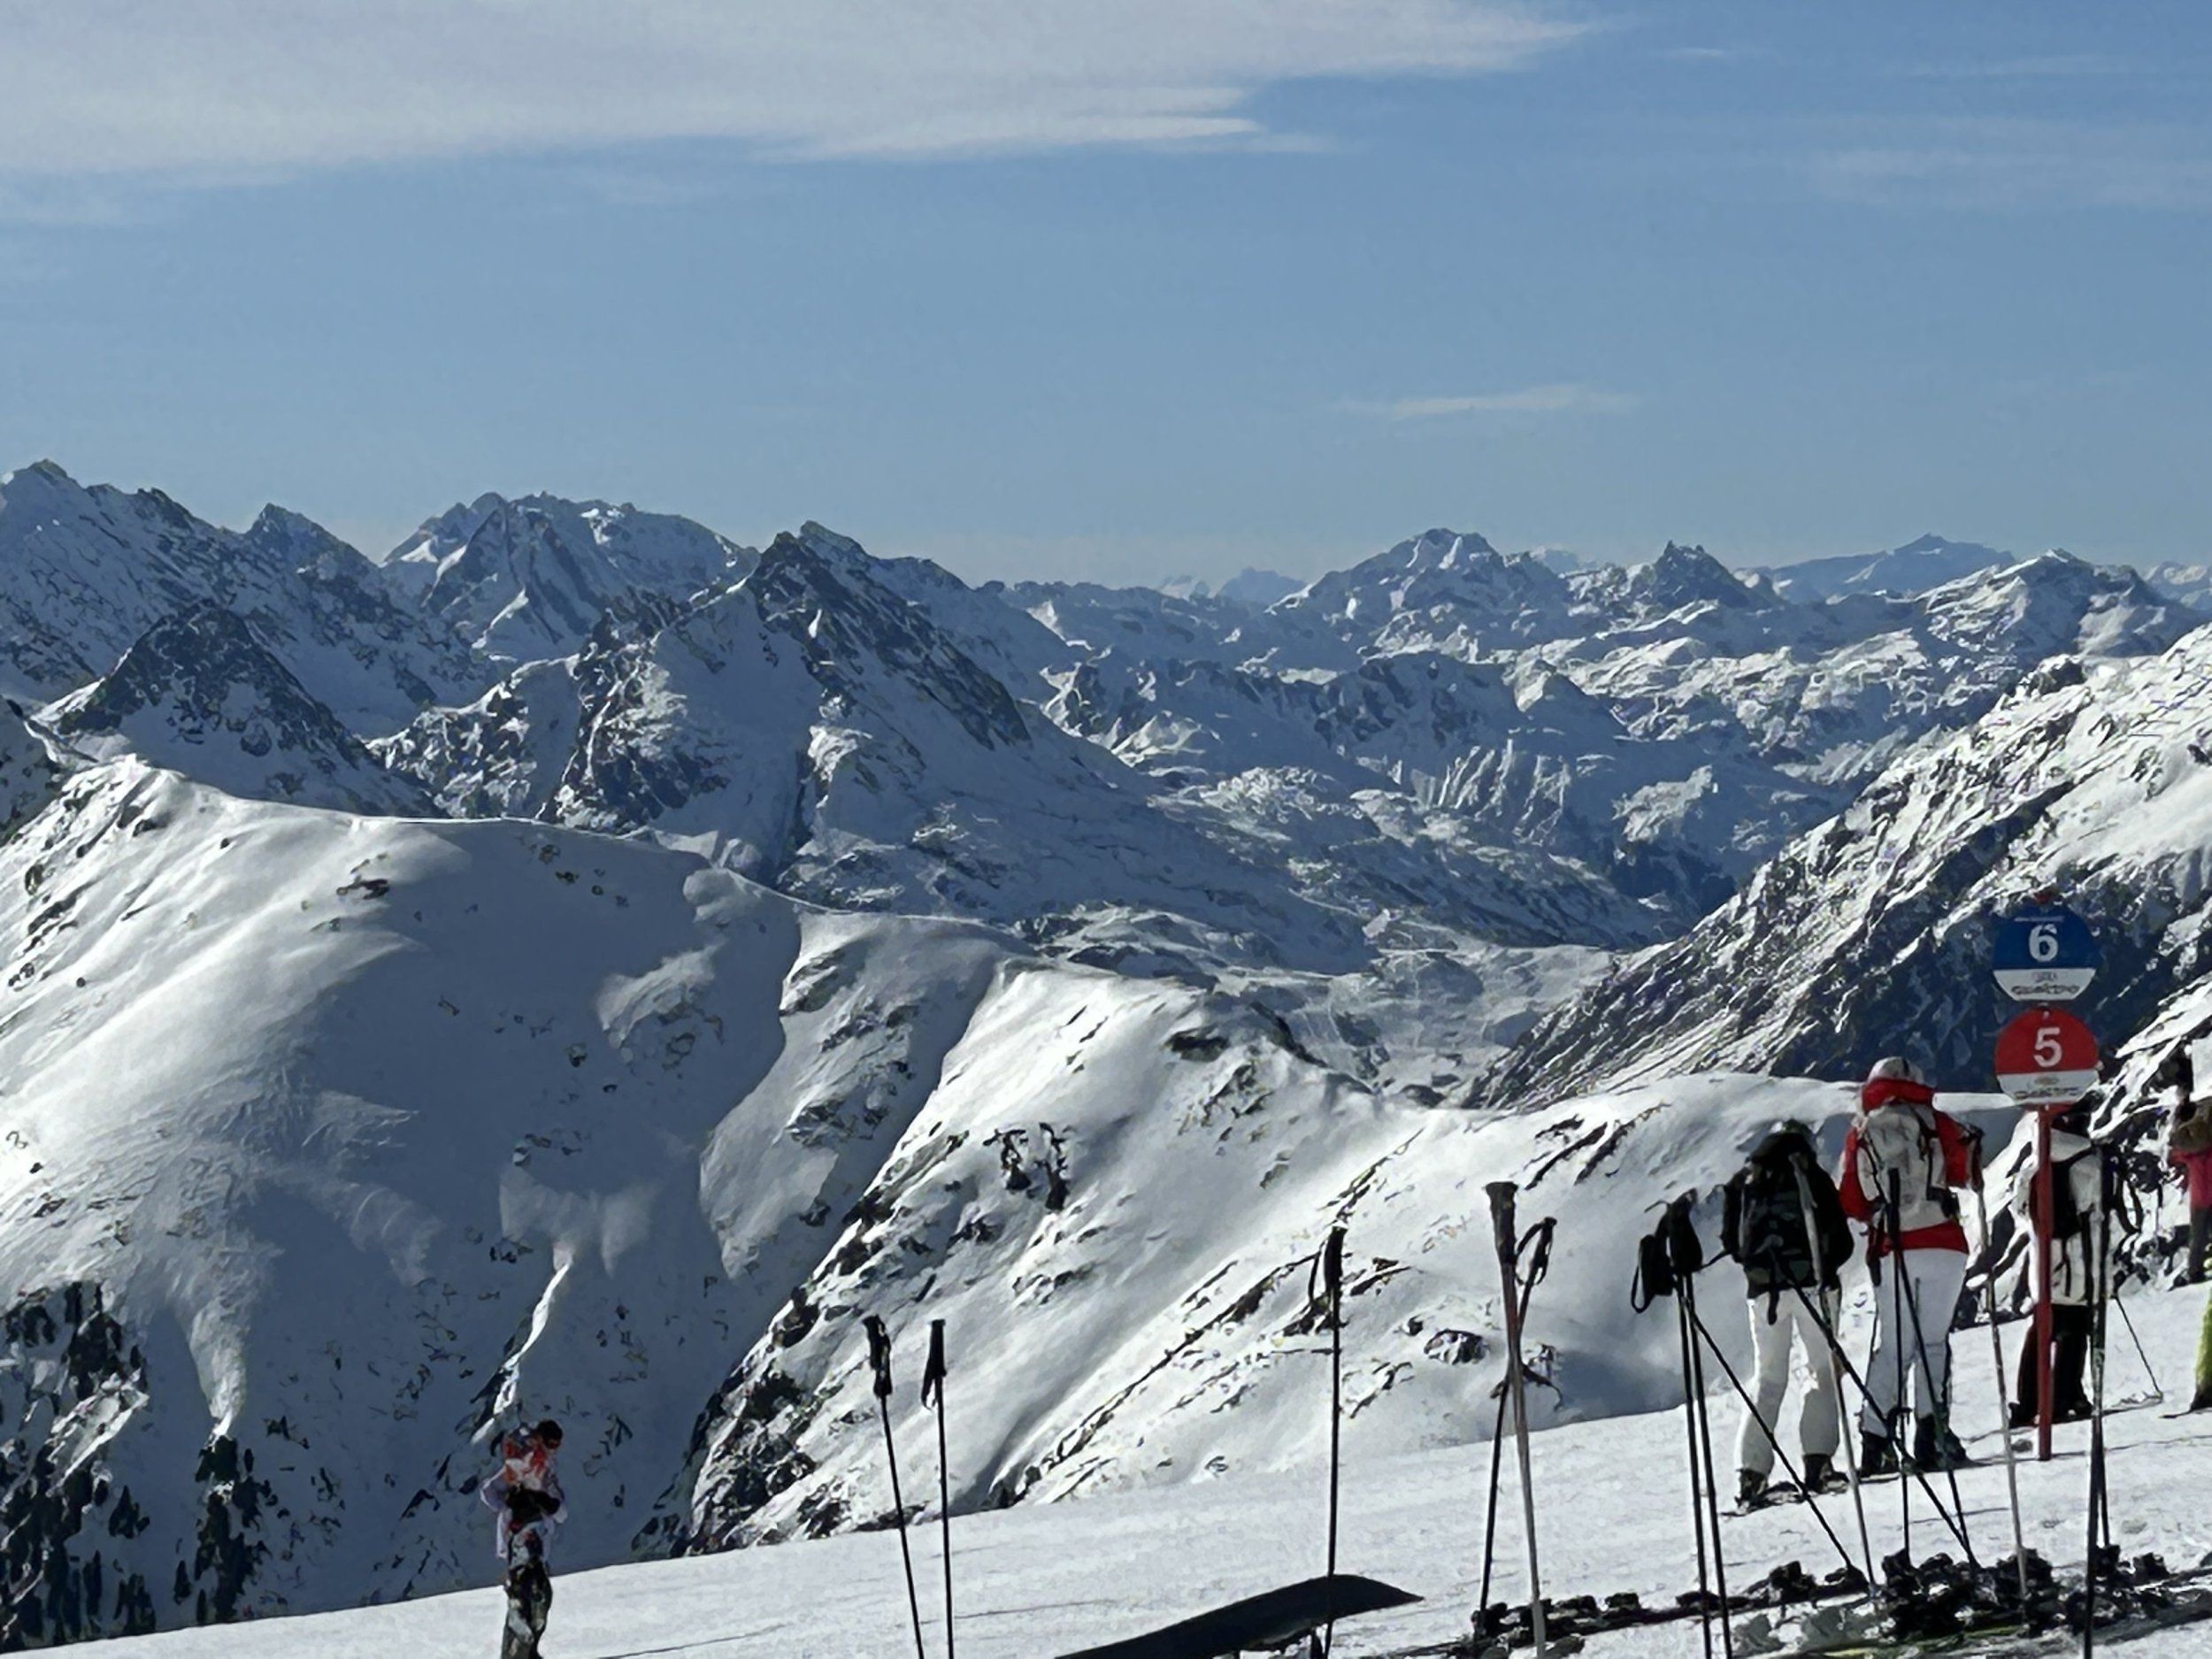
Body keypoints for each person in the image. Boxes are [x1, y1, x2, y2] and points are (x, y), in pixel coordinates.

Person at [1837, 1056, 1981, 1474]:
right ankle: (1932, 1437)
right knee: (1932, 1342)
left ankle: (1876, 1442)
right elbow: (1965, 1174)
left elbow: (1852, 1201)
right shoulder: (1938, 1122)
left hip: (1892, 1246)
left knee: (1894, 1346)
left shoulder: (1862, 1130)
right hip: (1944, 1244)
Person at [1720, 1119, 1856, 1505]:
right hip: (1814, 1287)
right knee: (1822, 1372)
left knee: (1768, 1379)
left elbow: (1733, 1243)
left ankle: (1751, 1475)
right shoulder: (1810, 1175)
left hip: (1764, 1292)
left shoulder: (1747, 1179)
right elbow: (1841, 1240)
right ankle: (1818, 1464)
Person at [2008, 1102, 2103, 1426]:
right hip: (2079, 1262)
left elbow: (2020, 1211)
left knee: (2041, 1328)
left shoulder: (2035, 1162)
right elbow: (2104, 1213)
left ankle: (2028, 1403)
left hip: (2044, 1262)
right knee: (2075, 1329)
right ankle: (2067, 1397)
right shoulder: (2091, 1162)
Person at [481, 1419, 566, 1659]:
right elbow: (488, 1491)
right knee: (524, 1596)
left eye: (557, 1445)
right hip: (520, 1537)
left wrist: (547, 1504)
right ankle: (516, 1653)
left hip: (537, 1540)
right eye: (551, 1444)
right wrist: (509, 1504)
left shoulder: (545, 1472)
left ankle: (526, 1651)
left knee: (536, 1597)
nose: (553, 1449)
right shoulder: (520, 1468)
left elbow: (561, 1512)